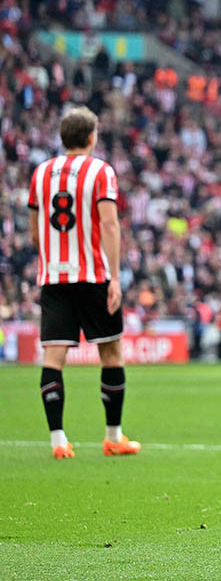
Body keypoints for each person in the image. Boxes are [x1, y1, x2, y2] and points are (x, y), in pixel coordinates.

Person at [28, 106, 141, 459]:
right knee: (111, 352)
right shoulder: (100, 171)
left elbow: (35, 231)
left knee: (54, 356)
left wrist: (51, 256)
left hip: (54, 277)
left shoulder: (41, 173)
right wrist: (115, 275)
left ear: (63, 138)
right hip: (92, 274)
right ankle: (113, 436)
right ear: (92, 137)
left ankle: (58, 441)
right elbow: (109, 224)